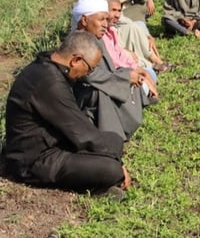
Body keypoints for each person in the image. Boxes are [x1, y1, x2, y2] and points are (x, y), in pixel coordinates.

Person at [2, 31, 130, 194]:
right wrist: (118, 163)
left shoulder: (48, 65)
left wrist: (113, 150)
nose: (87, 74)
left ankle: (101, 183)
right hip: (34, 160)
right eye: (89, 69)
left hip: (53, 142)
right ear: (76, 60)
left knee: (114, 140)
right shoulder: (50, 82)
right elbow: (81, 133)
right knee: (112, 169)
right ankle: (101, 188)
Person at [71, 0, 153, 142]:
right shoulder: (77, 43)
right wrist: (126, 78)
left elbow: (109, 69)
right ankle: (111, 140)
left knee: (130, 80)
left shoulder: (96, 40)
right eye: (101, 20)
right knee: (101, 93)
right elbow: (89, 76)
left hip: (104, 82)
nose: (105, 25)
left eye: (106, 20)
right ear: (84, 20)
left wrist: (128, 74)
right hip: (85, 95)